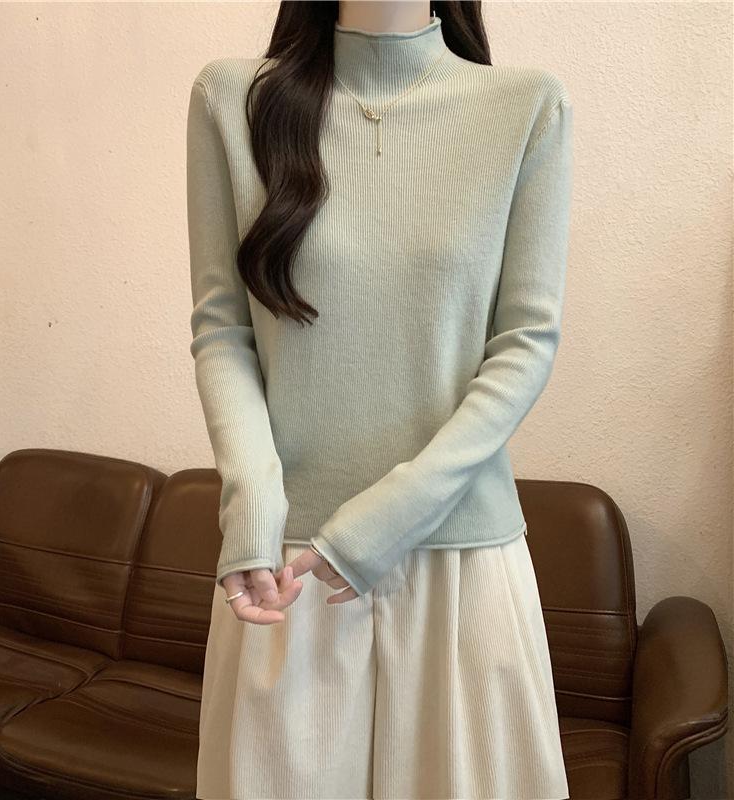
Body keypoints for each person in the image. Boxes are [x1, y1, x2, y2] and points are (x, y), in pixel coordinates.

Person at [186, 1, 573, 797]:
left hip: (460, 565)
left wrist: (386, 518)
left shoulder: (526, 107)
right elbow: (224, 329)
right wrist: (251, 504)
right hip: (288, 572)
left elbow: (525, 341)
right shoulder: (231, 102)